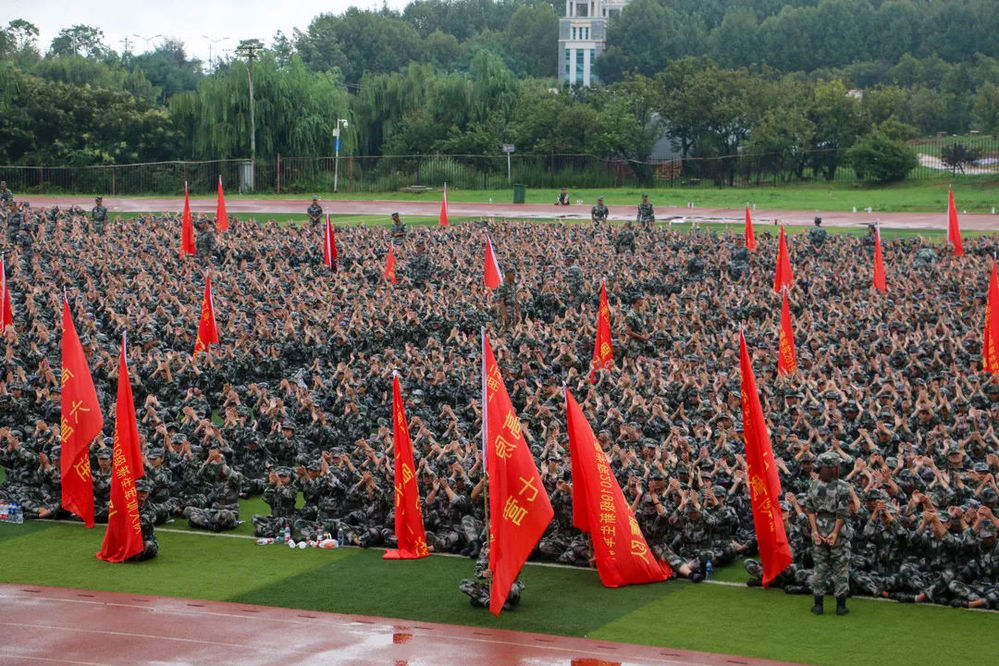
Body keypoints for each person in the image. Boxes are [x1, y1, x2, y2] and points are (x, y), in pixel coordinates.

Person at [806, 452, 852, 615]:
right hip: (837, 531)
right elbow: (842, 513)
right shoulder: (842, 486)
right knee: (841, 568)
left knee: (820, 568)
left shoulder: (813, 484)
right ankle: (841, 606)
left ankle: (818, 605)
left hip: (819, 526)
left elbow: (810, 509)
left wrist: (814, 531)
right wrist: (835, 533)